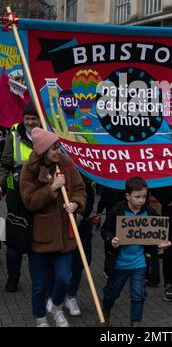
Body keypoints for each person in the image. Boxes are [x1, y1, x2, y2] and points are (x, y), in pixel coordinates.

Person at [20, 127, 86, 327]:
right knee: (39, 285)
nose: (58, 151)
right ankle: (40, 319)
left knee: (65, 278)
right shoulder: (29, 170)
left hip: (65, 236)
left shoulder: (66, 164)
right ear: (42, 151)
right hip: (39, 237)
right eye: (54, 148)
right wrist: (52, 189)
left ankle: (56, 307)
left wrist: (76, 202)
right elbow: (29, 201)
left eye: (58, 146)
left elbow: (80, 189)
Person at [101, 176, 171, 327]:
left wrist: (161, 244)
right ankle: (105, 315)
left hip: (139, 263)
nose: (141, 200)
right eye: (137, 197)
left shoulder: (150, 213)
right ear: (127, 196)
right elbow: (105, 230)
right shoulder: (117, 211)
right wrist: (111, 239)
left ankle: (135, 324)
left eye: (144, 197)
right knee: (111, 294)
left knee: (138, 296)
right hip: (119, 264)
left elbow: (157, 235)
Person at [0, 101, 41, 292]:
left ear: (40, 119)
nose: (30, 122)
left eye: (34, 119)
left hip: (38, 193)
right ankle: (13, 277)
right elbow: (5, 161)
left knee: (37, 237)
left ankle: (39, 278)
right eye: (27, 119)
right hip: (15, 194)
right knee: (15, 237)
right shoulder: (15, 132)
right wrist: (1, 184)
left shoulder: (47, 133)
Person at [47, 175, 95, 317]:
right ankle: (52, 295)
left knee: (79, 262)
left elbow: (88, 196)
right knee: (54, 263)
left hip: (81, 226)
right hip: (57, 226)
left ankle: (71, 296)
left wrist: (79, 214)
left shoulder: (83, 175)